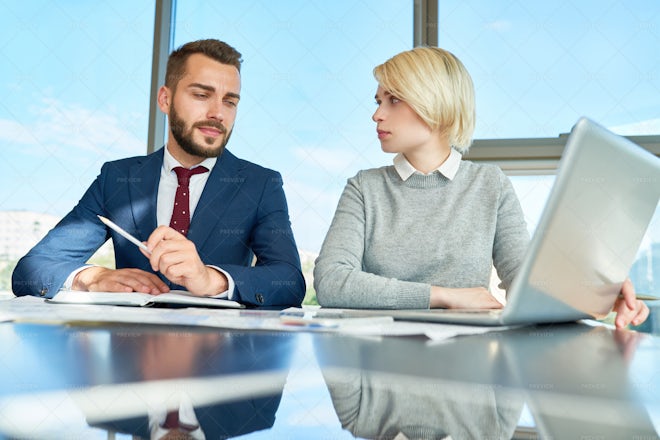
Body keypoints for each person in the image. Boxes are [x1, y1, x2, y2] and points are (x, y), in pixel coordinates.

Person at [313, 46, 648, 328]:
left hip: (466, 365)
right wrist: (443, 296)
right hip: (374, 364)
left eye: (393, 100)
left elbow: (525, 282)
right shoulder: (364, 188)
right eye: (378, 102)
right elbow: (331, 281)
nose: (377, 115)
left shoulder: (490, 184)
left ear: (435, 103)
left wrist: (596, 293)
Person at [12, 39, 305, 307]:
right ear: (165, 99)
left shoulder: (260, 185)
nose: (218, 113)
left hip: (219, 356)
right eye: (202, 94)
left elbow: (289, 281)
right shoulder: (117, 178)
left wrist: (210, 279)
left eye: (230, 101)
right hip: (131, 357)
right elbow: (32, 268)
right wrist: (91, 279)